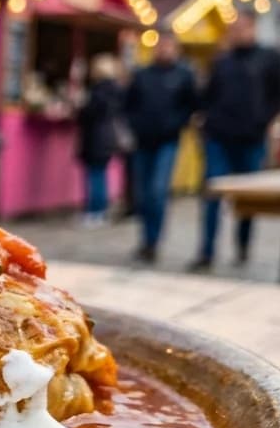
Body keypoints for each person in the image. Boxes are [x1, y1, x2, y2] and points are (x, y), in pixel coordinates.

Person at [192, 13, 280, 270]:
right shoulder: (222, 61)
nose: (237, 32)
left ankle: (243, 245)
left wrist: (262, 121)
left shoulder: (269, 58)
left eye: (242, 27)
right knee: (212, 193)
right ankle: (207, 251)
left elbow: (279, 96)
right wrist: (207, 121)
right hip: (218, 137)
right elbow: (207, 96)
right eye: (234, 28)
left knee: (247, 198)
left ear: (253, 28)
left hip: (251, 138)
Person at [124, 32, 197, 262]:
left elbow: (191, 105)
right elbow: (129, 104)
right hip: (143, 140)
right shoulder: (142, 74)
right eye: (161, 45)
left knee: (157, 190)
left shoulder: (184, 75)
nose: (164, 49)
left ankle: (153, 241)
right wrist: (135, 125)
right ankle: (146, 240)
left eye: (168, 46)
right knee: (143, 193)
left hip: (167, 141)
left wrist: (177, 124)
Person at [76, 53, 124, 226]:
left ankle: (95, 211)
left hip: (95, 138)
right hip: (107, 138)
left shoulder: (98, 91)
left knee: (95, 176)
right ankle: (100, 210)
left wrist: (80, 107)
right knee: (100, 175)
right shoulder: (116, 89)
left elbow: (89, 113)